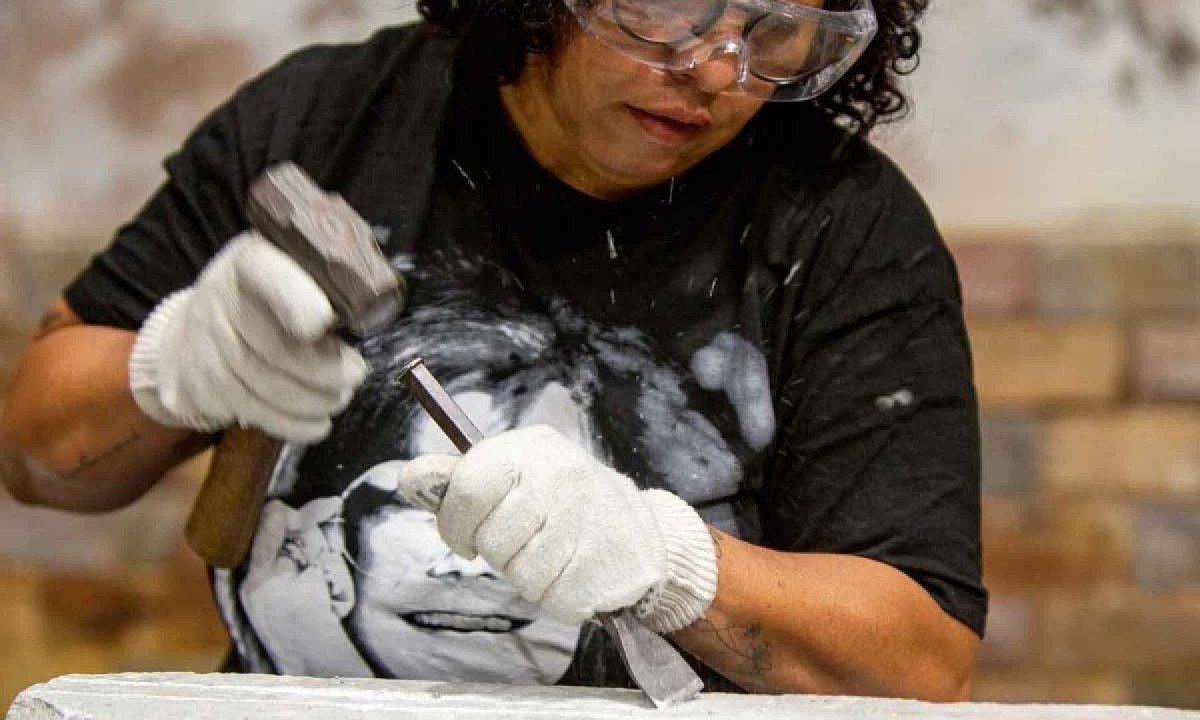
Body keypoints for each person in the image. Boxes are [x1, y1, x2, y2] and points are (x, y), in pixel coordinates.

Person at [0, 0, 986, 699]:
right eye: (669, 5)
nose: (718, 71)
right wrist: (171, 370)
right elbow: (35, 457)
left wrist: (672, 567)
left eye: (776, 27)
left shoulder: (840, 226)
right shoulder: (326, 124)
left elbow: (920, 665)